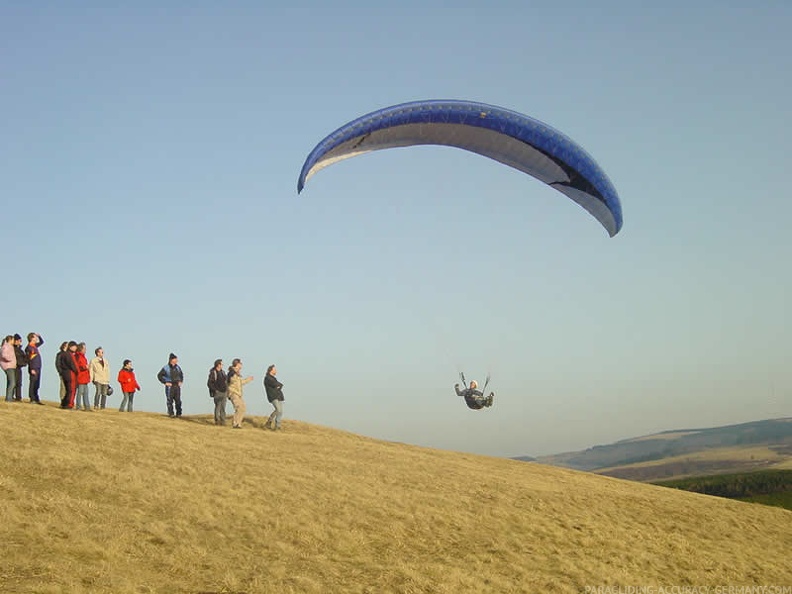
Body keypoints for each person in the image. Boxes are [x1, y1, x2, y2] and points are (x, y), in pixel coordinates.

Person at [226, 359, 253, 429]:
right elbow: (229, 381)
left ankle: (238, 423)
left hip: (238, 393)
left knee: (243, 407)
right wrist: (234, 374)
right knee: (239, 407)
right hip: (233, 393)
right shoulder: (232, 372)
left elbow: (240, 383)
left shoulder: (237, 373)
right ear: (237, 364)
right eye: (240, 364)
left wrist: (248, 380)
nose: (241, 365)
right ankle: (235, 423)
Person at [157, 353, 184, 418]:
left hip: (177, 385)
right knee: (170, 400)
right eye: (175, 359)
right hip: (170, 386)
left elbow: (181, 375)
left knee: (178, 400)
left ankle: (179, 413)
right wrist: (165, 382)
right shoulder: (165, 368)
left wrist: (181, 381)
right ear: (171, 360)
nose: (177, 360)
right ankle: (171, 413)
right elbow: (159, 376)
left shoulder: (178, 367)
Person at [24, 333, 45, 405]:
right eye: (35, 337)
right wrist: (31, 368)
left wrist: (39, 336)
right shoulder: (29, 348)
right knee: (33, 383)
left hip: (38, 367)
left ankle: (36, 399)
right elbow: (29, 359)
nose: (36, 339)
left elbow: (42, 342)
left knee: (37, 384)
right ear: (32, 338)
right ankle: (32, 398)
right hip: (34, 368)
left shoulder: (35, 346)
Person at [263, 364, 285, 431]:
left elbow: (280, 385)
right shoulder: (267, 378)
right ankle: (273, 424)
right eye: (274, 369)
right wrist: (278, 386)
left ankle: (274, 425)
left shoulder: (273, 378)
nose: (276, 371)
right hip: (273, 396)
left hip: (279, 396)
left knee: (280, 411)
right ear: (271, 370)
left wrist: (278, 386)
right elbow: (275, 384)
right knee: (278, 410)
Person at [207, 359, 228, 426]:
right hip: (218, 392)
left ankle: (223, 421)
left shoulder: (223, 372)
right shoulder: (213, 373)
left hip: (224, 392)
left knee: (223, 407)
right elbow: (209, 383)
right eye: (221, 364)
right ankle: (217, 420)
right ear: (218, 365)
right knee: (218, 406)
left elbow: (226, 381)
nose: (222, 365)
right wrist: (215, 390)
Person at [59, 341, 79, 409]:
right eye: (75, 346)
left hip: (64, 374)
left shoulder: (63, 354)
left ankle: (64, 403)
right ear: (71, 347)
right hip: (70, 374)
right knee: (71, 390)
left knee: (68, 390)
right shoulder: (69, 355)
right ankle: (69, 404)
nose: (76, 348)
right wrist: (77, 372)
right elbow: (73, 365)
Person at [73, 343, 92, 411]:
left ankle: (87, 407)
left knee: (86, 393)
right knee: (80, 392)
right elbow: (77, 366)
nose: (85, 350)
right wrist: (85, 367)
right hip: (81, 377)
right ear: (80, 349)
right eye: (84, 348)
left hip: (85, 377)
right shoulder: (77, 356)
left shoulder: (83, 357)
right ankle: (78, 406)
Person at [12, 334, 28, 401]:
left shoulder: (20, 350)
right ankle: (11, 396)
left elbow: (25, 357)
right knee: (13, 382)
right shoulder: (12, 349)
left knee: (19, 383)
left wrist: (25, 362)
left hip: (19, 367)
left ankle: (18, 397)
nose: (20, 342)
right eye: (19, 340)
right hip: (14, 367)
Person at [1, 336, 16, 402]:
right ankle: (9, 398)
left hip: (10, 366)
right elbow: (3, 355)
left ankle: (9, 397)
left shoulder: (9, 346)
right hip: (8, 366)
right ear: (10, 340)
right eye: (13, 340)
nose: (14, 341)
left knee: (10, 382)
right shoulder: (6, 346)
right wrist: (10, 359)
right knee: (12, 383)